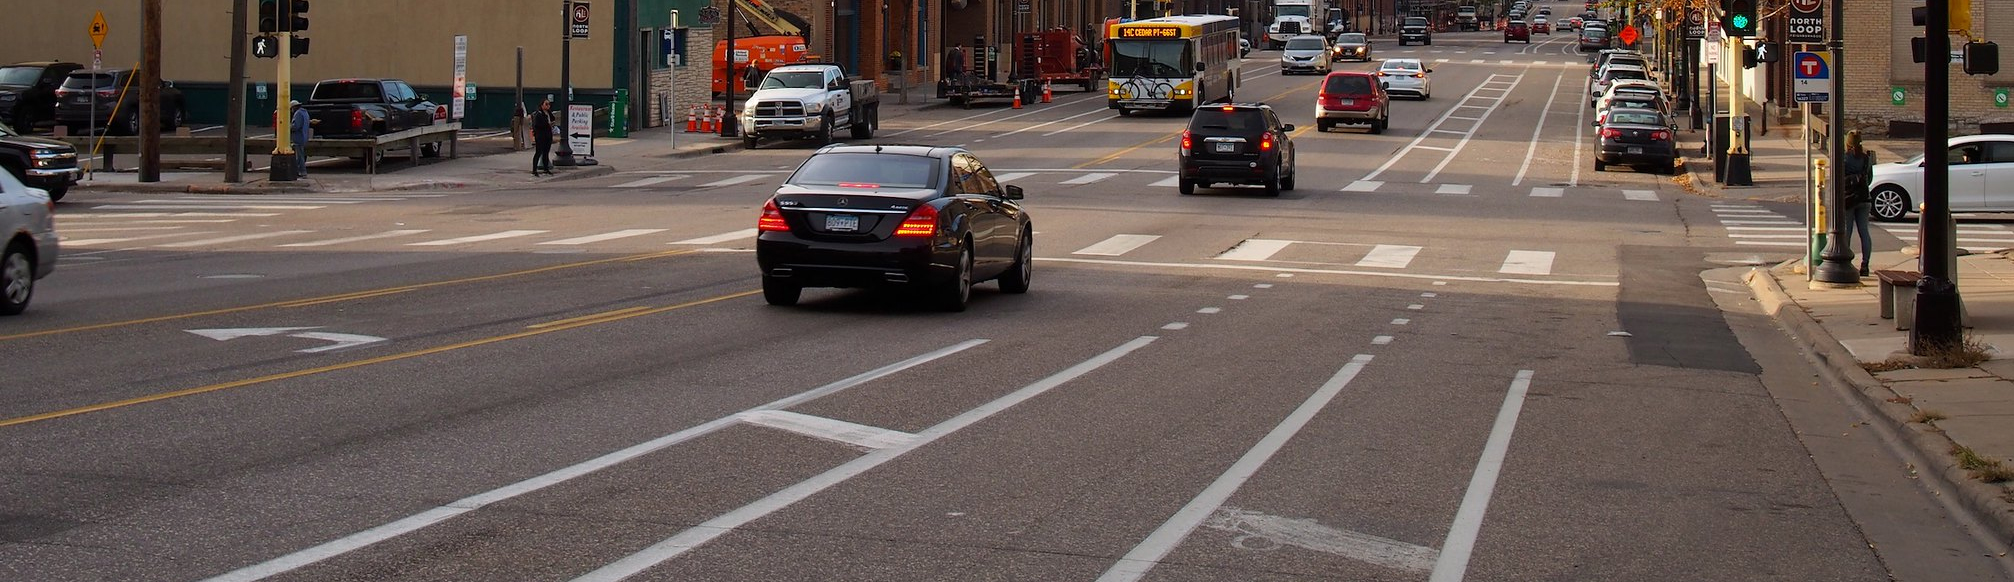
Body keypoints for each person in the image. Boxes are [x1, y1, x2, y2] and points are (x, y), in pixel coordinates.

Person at [1840, 129, 1876, 277]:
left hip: (1849, 199)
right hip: (1864, 198)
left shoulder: (1844, 158)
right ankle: (1865, 265)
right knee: (1864, 232)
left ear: (1847, 144)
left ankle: (1846, 263)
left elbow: (1839, 178)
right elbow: (1870, 178)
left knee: (1847, 232)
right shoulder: (1866, 158)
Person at [288, 100, 313, 177]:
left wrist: (288, 127)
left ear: (294, 107)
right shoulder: (305, 113)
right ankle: (301, 171)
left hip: (298, 138)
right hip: (304, 137)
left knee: (299, 157)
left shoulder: (298, 114)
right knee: (301, 155)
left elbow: (296, 126)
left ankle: (301, 172)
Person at [530, 97, 554, 177]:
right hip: (540, 136)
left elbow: (553, 119)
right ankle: (534, 170)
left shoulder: (549, 113)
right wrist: (547, 125)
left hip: (548, 135)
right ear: (542, 105)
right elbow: (537, 125)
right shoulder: (538, 114)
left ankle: (546, 168)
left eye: (549, 104)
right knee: (538, 152)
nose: (548, 106)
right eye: (546, 104)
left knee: (546, 153)